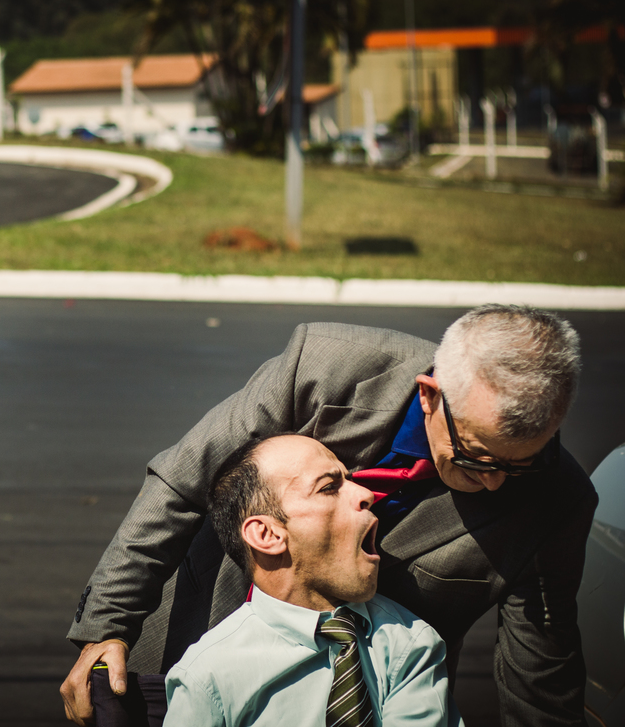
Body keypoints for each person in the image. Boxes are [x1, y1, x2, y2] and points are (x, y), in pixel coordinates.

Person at [61, 307, 595, 727]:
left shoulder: (557, 501)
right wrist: (109, 624)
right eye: (477, 457)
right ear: (430, 396)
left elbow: (539, 673)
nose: (497, 483)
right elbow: (183, 481)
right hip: (197, 631)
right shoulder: (327, 365)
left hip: (373, 697)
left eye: (523, 464)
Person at [164, 434, 462, 727]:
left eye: (351, 480)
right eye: (329, 488)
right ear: (267, 535)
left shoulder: (409, 644)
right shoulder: (208, 676)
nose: (366, 494)